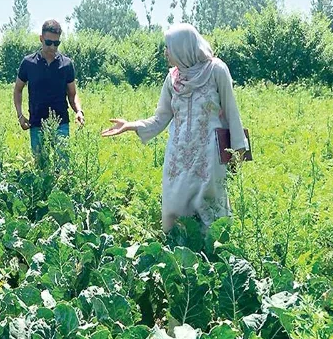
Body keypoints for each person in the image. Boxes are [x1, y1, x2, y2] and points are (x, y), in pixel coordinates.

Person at [101, 23, 248, 233]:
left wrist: (238, 152)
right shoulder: (172, 79)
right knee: (174, 206)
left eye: (169, 47)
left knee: (208, 210)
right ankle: (176, 250)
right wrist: (131, 125)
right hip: (178, 157)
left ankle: (211, 256)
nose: (165, 52)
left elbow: (232, 112)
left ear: (183, 47)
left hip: (209, 155)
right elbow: (161, 118)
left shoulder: (216, 70)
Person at [13, 19, 84, 162]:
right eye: (48, 43)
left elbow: (73, 94)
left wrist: (78, 111)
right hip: (37, 123)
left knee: (63, 166)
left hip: (61, 123)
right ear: (41, 39)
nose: (53, 47)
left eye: (56, 43)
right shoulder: (28, 63)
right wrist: (20, 115)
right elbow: (18, 90)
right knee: (40, 167)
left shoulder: (66, 64)